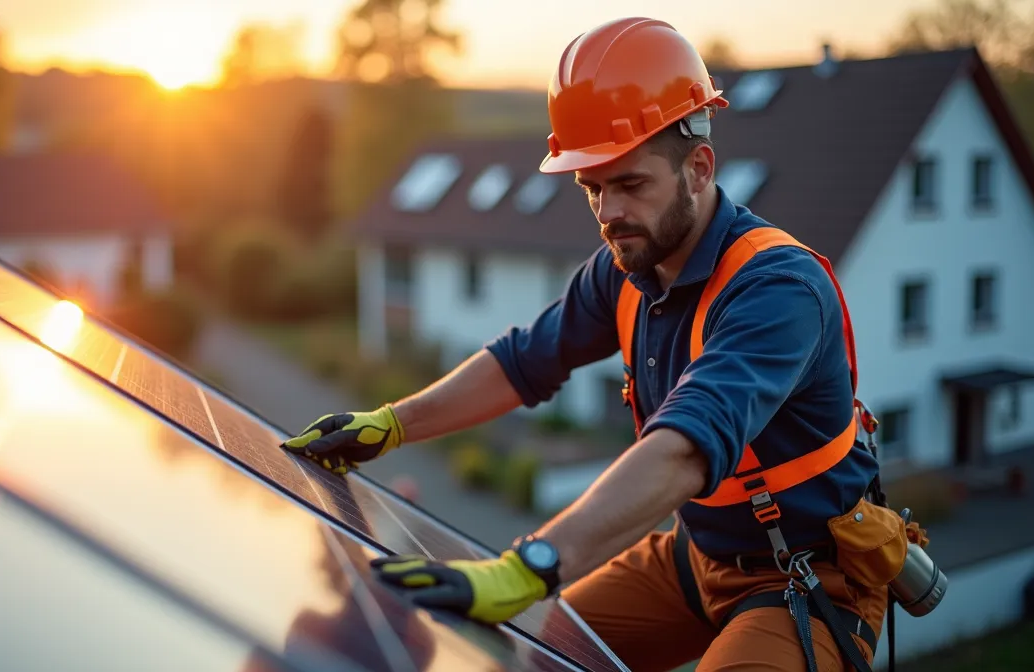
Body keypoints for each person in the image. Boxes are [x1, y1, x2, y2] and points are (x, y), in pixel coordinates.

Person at [281, 17, 897, 672]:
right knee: (553, 655)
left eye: (630, 184)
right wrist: (390, 426)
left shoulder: (779, 288)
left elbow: (687, 449)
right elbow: (523, 362)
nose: (607, 213)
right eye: (592, 188)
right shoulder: (626, 269)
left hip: (806, 576)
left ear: (699, 167)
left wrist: (529, 566)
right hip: (699, 556)